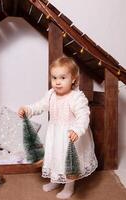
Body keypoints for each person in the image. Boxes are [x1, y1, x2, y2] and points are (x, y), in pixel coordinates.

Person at [18, 57, 98, 199]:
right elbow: (39, 106)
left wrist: (77, 130)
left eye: (62, 77)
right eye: (54, 77)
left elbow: (84, 116)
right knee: (55, 158)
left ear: (73, 79)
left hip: (70, 135)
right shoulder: (50, 95)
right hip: (55, 134)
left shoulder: (76, 97)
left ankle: (69, 186)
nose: (57, 82)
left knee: (68, 161)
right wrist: (28, 109)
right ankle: (55, 179)